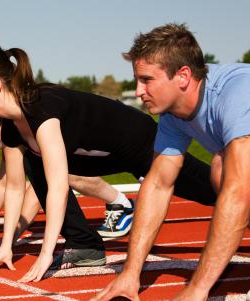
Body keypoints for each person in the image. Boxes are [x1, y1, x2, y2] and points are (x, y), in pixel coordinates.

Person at [0, 41, 218, 282]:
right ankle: (84, 244)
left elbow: (58, 187)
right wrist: (6, 245)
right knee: (33, 166)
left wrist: (47, 253)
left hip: (136, 141)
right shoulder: (12, 129)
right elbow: (13, 188)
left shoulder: (41, 108)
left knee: (210, 189)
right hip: (96, 157)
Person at [92, 23, 250, 301]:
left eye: (146, 80)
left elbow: (239, 195)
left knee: (232, 174)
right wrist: (131, 272)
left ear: (183, 76)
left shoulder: (237, 96)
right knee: (221, 168)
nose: (139, 91)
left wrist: (197, 290)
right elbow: (158, 185)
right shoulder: (172, 117)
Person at [0, 114, 135, 240]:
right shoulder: (12, 140)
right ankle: (120, 202)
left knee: (67, 175)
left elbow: (37, 193)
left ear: (1, 123)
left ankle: (121, 203)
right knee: (65, 174)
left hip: (114, 135)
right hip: (92, 144)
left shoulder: (29, 134)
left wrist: (11, 237)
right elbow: (3, 183)